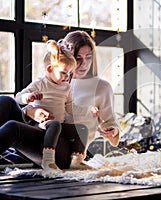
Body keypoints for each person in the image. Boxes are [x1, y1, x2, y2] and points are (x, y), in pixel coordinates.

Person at [0, 30, 120, 170]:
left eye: (88, 57)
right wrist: (31, 112)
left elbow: (110, 122)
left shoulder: (101, 87)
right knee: (6, 102)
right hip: (41, 132)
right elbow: (31, 105)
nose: (84, 64)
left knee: (13, 128)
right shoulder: (55, 79)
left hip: (64, 149)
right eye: (78, 58)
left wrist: (114, 131)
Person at [14, 40, 98, 172]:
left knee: (82, 129)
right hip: (42, 125)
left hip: (59, 125)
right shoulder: (40, 83)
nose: (67, 77)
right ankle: (48, 161)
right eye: (64, 73)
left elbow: (71, 108)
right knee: (54, 124)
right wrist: (28, 97)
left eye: (70, 74)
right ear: (50, 69)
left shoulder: (66, 88)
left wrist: (88, 110)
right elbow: (18, 97)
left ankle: (77, 161)